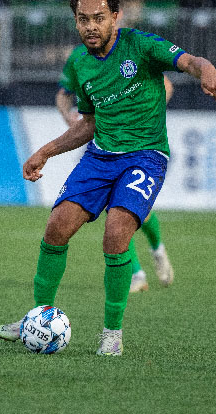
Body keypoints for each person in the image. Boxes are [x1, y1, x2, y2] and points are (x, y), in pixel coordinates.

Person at [0, 0, 216, 356]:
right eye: (83, 19)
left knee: (116, 234)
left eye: (99, 18)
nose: (91, 26)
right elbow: (88, 123)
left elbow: (189, 62)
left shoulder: (141, 45)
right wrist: (45, 151)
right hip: (100, 157)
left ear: (116, 17)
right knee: (56, 228)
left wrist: (207, 70)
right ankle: (33, 317)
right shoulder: (80, 63)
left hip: (146, 156)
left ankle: (111, 335)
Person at [56, 59, 175, 294]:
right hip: (103, 144)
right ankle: (137, 274)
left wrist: (146, 112)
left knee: (131, 210)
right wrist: (67, 116)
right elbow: (63, 94)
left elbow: (166, 85)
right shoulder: (80, 59)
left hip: (138, 145)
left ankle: (157, 249)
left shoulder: (130, 52)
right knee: (115, 210)